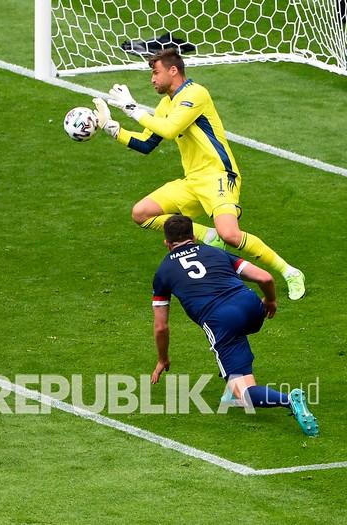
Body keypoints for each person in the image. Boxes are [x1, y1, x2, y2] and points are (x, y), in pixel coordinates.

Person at [91, 49, 306, 301]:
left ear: (173, 70)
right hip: (192, 181)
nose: (152, 79)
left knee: (231, 234)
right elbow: (148, 143)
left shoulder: (195, 94)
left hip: (218, 176)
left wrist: (133, 109)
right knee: (141, 213)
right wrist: (112, 129)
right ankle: (207, 235)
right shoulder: (165, 104)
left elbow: (170, 130)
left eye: (155, 72)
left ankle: (290, 272)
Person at [148, 215, 317, 436]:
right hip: (253, 307)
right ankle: (231, 375)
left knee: (245, 394)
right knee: (234, 340)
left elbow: (161, 327)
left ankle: (289, 401)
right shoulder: (216, 252)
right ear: (193, 236)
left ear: (166, 243)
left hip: (223, 321)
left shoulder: (163, 272)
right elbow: (265, 278)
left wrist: (163, 359)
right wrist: (271, 300)